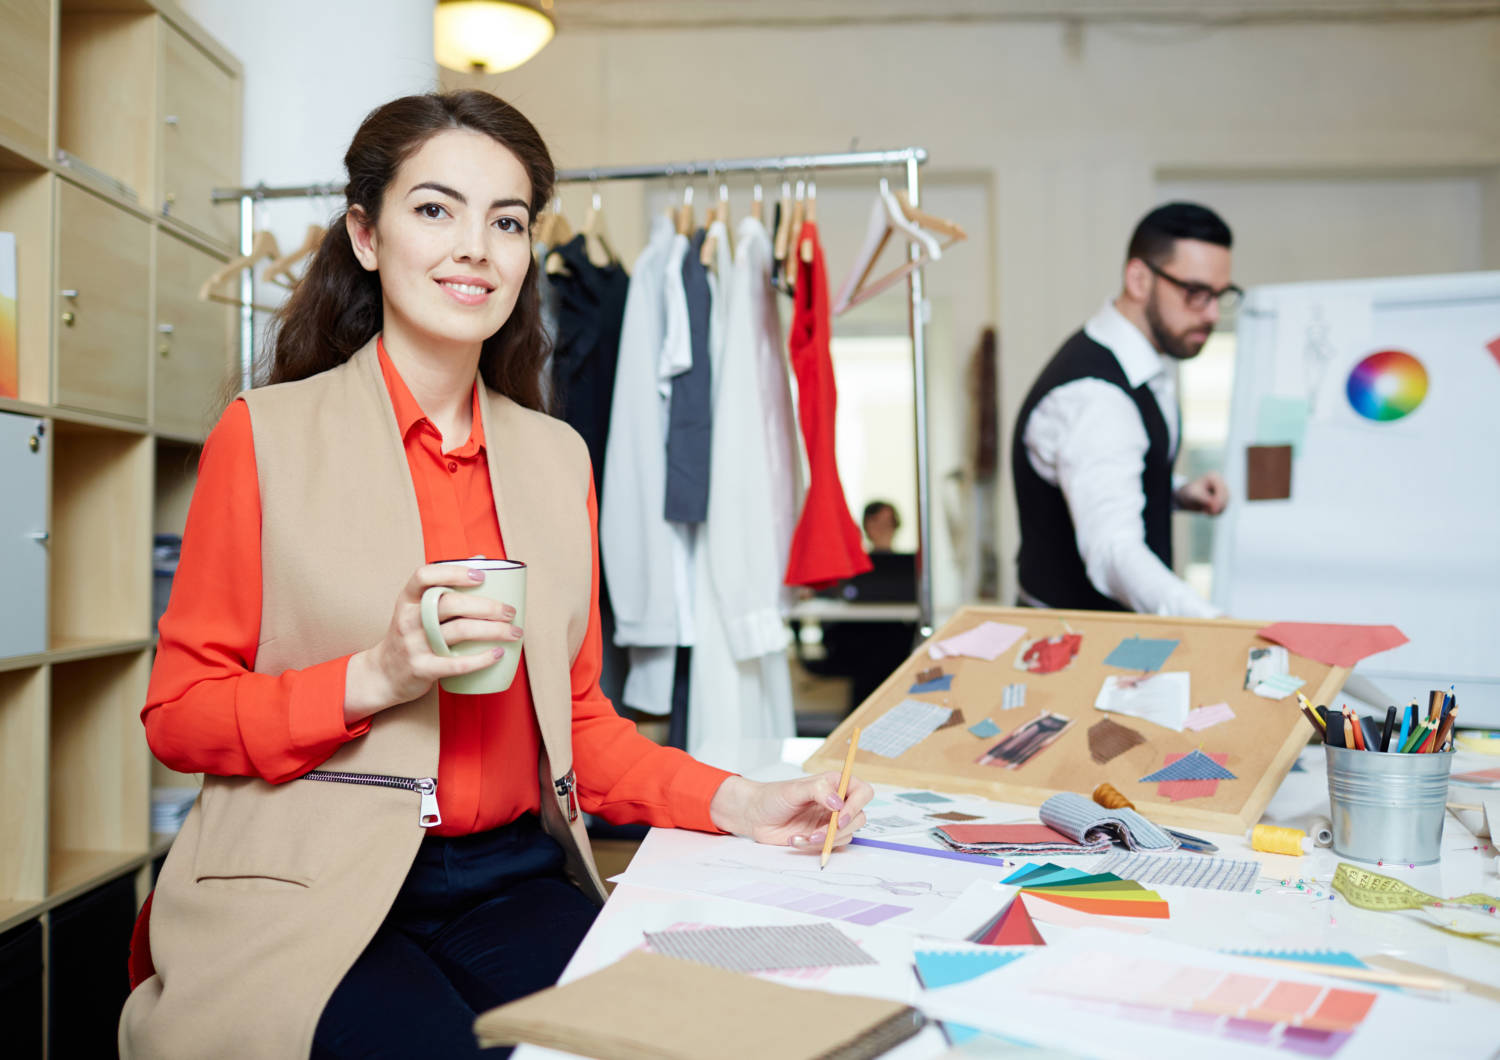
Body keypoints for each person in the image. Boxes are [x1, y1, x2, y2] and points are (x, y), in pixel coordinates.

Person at [120, 91, 872, 1060]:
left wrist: (742, 798)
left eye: (506, 220)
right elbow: (180, 715)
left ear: (528, 250)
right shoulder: (262, 436)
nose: (475, 244)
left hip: (506, 876)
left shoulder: (558, 458)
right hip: (309, 879)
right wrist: (374, 677)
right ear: (366, 234)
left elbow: (581, 722)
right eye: (435, 208)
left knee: (676, 1037)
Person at [1012, 202, 1241, 617]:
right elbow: (1114, 551)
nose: (1212, 314)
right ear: (1138, 278)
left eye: (1220, 297)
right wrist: (1211, 623)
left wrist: (1174, 491)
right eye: (1195, 293)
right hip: (1075, 644)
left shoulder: (1137, 364)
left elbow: (1103, 473)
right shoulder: (1097, 397)